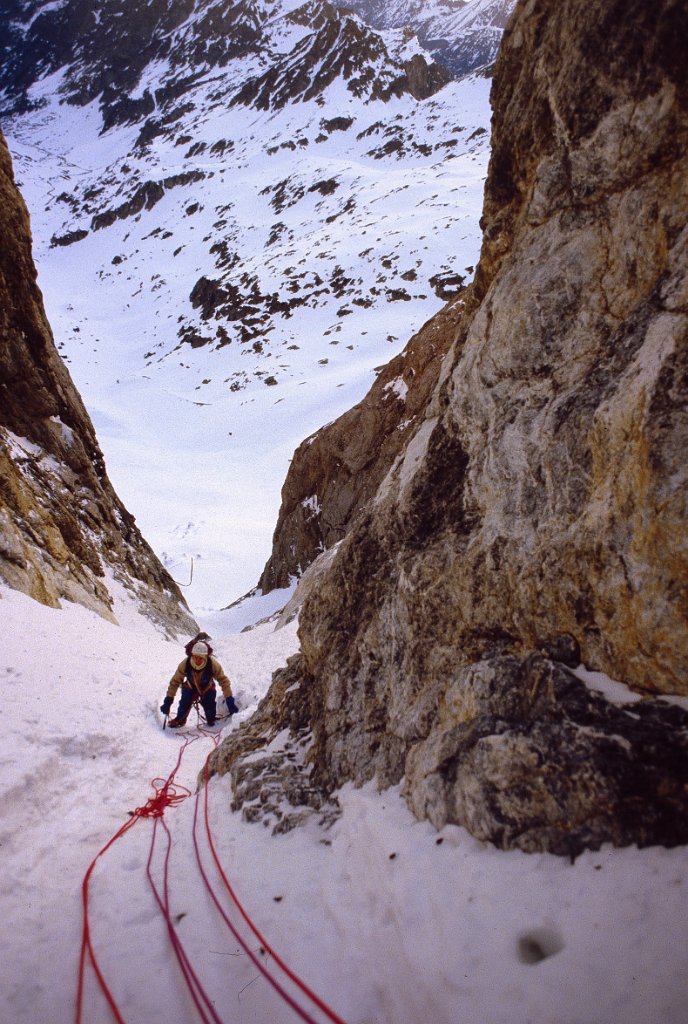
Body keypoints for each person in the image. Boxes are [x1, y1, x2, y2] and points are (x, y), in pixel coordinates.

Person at [160, 640, 238, 728]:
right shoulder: (185, 663)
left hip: (207, 687)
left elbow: (223, 681)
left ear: (205, 657)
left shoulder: (212, 664)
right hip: (190, 686)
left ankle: (211, 719)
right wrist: (168, 700)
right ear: (192, 655)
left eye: (201, 658)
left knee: (209, 704)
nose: (197, 660)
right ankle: (180, 719)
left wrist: (229, 699)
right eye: (195, 657)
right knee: (185, 702)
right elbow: (175, 682)